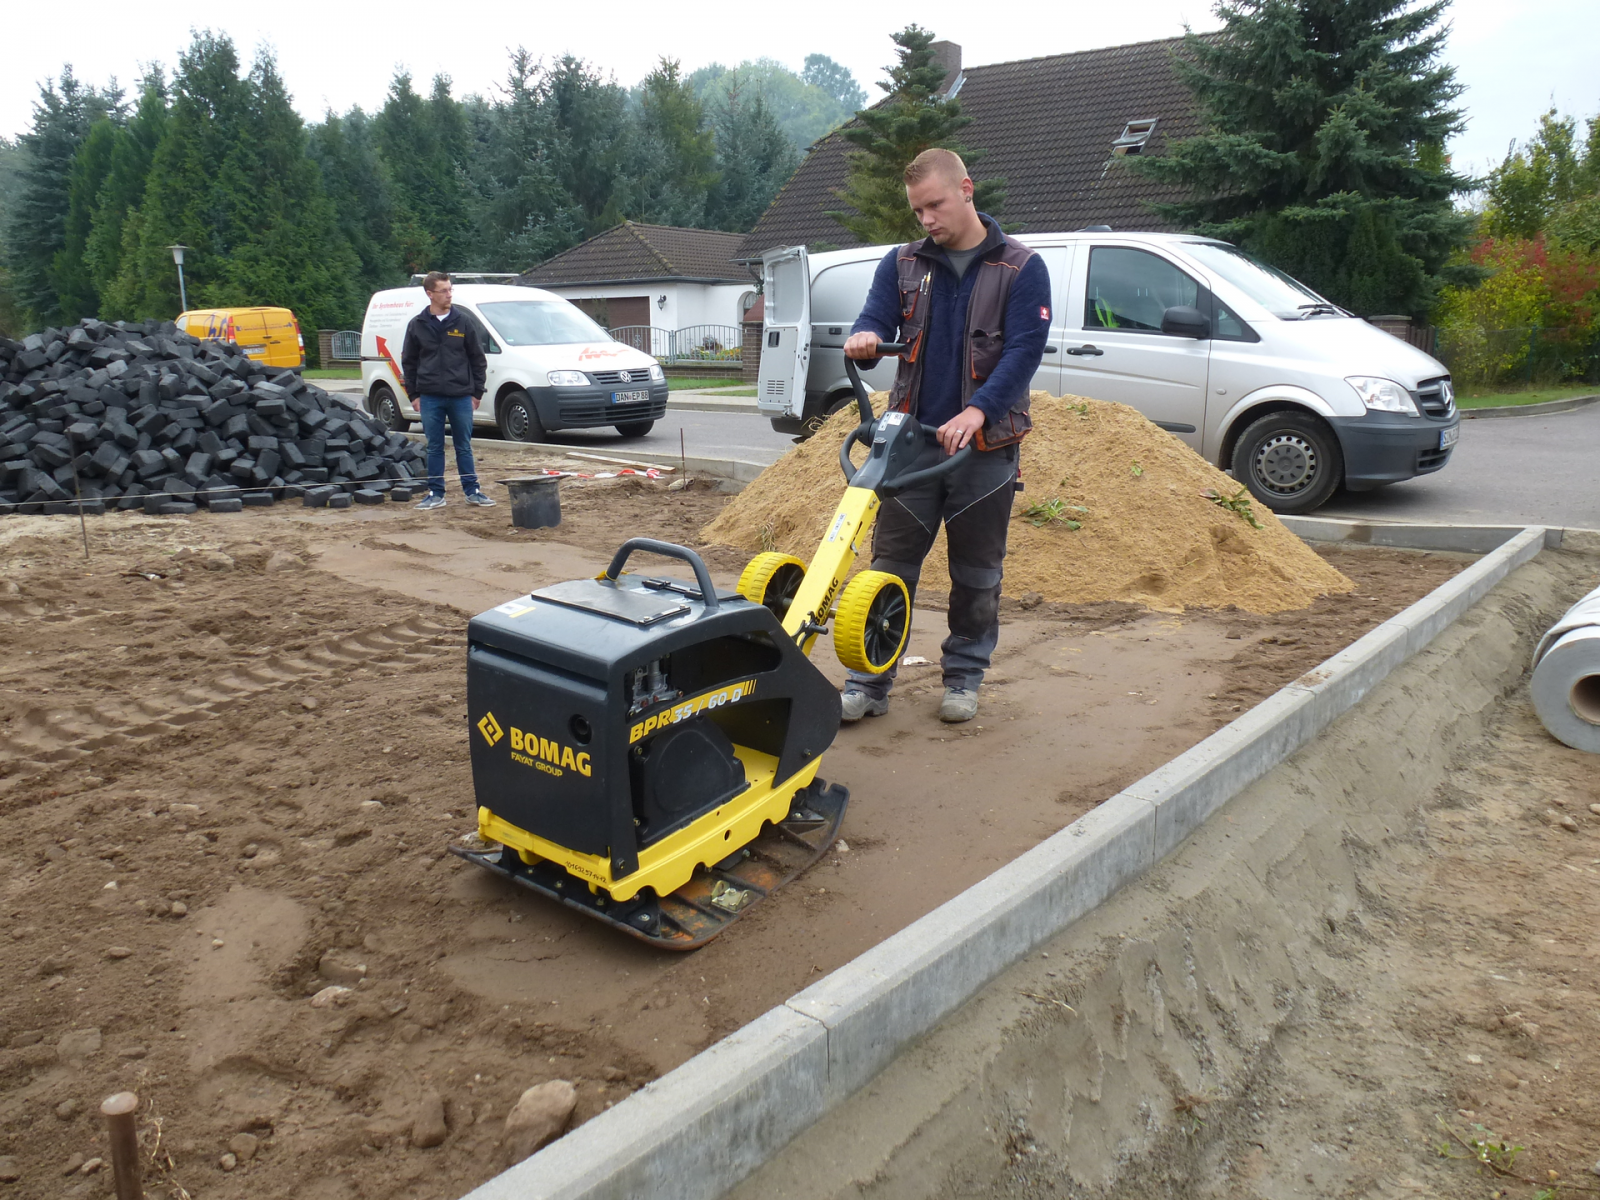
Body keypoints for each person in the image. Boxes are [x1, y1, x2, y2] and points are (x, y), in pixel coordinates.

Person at [840, 148, 1050, 724]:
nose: (926, 218)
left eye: (934, 205)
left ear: (966, 189)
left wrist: (979, 411)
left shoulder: (1021, 267)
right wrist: (865, 336)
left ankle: (963, 677)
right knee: (889, 568)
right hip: (911, 444)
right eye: (917, 210)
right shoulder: (903, 263)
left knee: (977, 576)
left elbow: (1023, 352)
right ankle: (869, 680)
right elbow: (876, 317)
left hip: (985, 449)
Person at [401, 271, 495, 510]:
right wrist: (414, 395)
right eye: (443, 291)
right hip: (429, 397)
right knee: (434, 447)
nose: (449, 294)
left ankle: (472, 491)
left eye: (450, 289)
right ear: (429, 294)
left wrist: (477, 392)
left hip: (461, 396)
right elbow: (409, 363)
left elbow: (478, 359)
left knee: (464, 445)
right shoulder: (417, 325)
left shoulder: (463, 322)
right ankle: (435, 493)